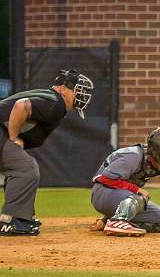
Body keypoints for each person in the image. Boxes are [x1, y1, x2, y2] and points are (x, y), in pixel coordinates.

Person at [0, 69, 93, 236]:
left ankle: (21, 217)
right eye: (77, 90)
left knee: (19, 168)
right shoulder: (55, 102)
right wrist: (14, 138)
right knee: (26, 169)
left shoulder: (49, 98)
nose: (82, 96)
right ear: (62, 88)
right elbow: (22, 106)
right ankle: (12, 220)